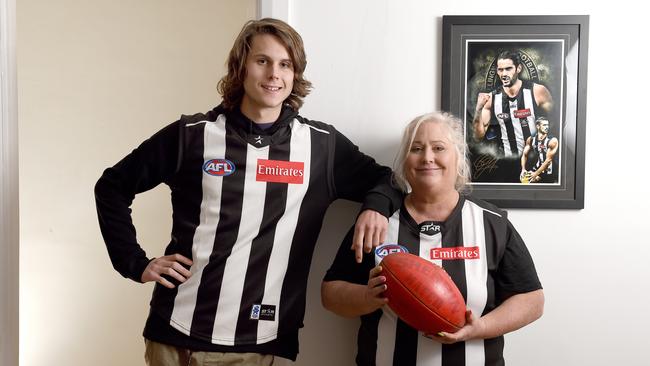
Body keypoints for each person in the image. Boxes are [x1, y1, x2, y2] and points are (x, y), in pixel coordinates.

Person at [94, 18, 401, 365]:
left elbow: (389, 180)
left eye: (285, 64)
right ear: (240, 67)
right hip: (176, 333)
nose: (274, 74)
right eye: (262, 61)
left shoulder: (321, 148)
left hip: (262, 344)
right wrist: (135, 263)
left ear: (295, 74)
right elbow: (111, 186)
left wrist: (374, 206)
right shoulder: (191, 135)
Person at [322, 112, 544, 365]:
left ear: (458, 157)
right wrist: (366, 297)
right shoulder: (377, 222)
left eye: (438, 148)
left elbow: (532, 300)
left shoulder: (490, 222)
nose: (427, 157)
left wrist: (478, 327)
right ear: (405, 161)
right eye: (416, 149)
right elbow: (330, 293)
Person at [473, 50, 553, 158]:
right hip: (508, 162)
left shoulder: (537, 91)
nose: (504, 74)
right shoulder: (492, 98)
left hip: (536, 161)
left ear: (518, 68)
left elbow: (556, 122)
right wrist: (478, 109)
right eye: (500, 70)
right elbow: (478, 136)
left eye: (508, 69)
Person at [520, 117, 559, 183]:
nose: (547, 127)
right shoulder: (531, 139)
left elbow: (548, 161)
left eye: (547, 125)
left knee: (531, 182)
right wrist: (523, 169)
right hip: (537, 167)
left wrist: (535, 174)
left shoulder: (552, 141)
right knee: (524, 180)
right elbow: (524, 154)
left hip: (550, 171)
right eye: (544, 125)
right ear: (538, 126)